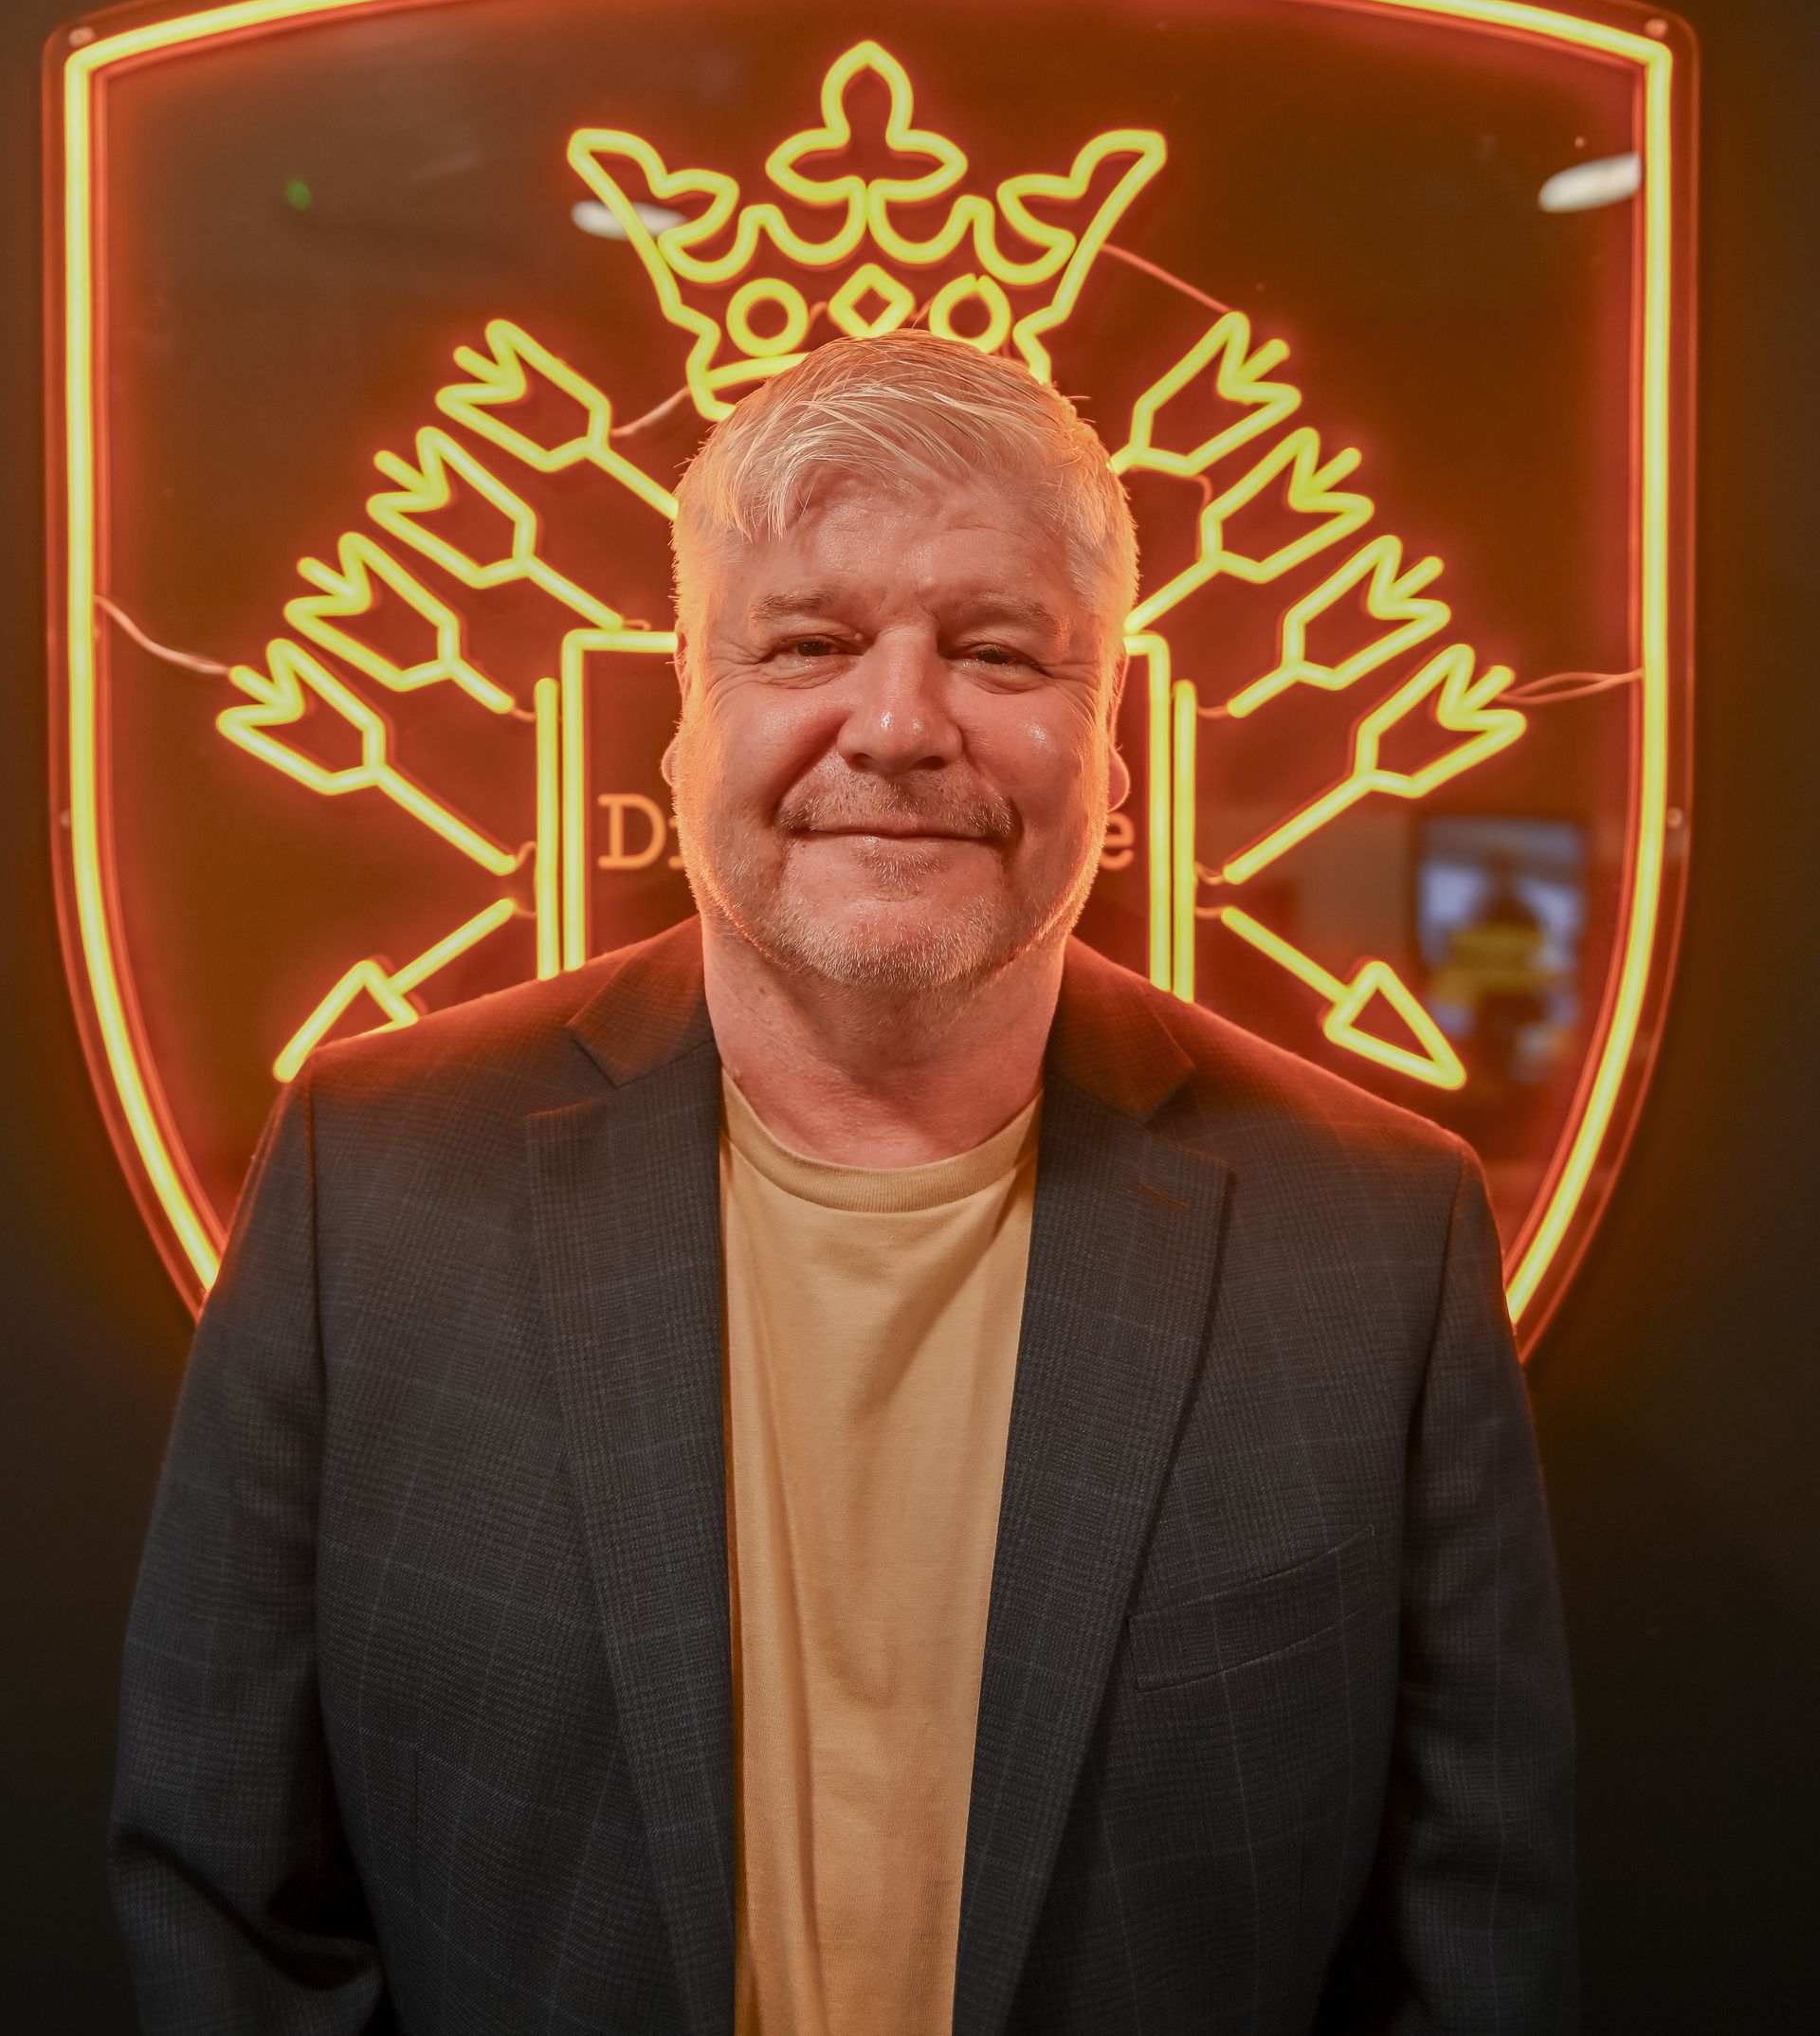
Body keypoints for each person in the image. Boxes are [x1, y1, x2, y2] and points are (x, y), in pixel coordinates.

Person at [112, 332, 1574, 2035]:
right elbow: (227, 1895)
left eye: (997, 650)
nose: (895, 722)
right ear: (685, 708)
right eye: (807, 641)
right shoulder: (367, 1183)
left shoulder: (1379, 1237)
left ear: (1111, 747)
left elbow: (1470, 1941)